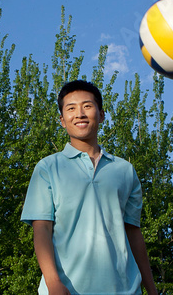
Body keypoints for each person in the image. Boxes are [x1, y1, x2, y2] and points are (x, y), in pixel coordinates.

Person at [21, 80, 159, 295]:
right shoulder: (48, 167)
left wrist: (152, 290)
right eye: (71, 108)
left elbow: (133, 232)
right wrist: (53, 283)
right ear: (62, 120)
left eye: (87, 106)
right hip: (65, 290)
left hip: (125, 289)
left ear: (101, 115)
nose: (80, 114)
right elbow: (42, 229)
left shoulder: (124, 170)